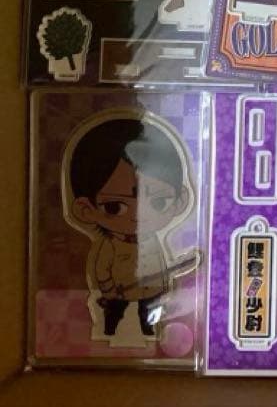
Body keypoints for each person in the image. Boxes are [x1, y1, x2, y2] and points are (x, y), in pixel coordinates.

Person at [65, 114, 195, 339]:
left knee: (148, 310)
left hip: (150, 289)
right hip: (119, 290)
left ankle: (149, 329)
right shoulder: (110, 245)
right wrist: (108, 289)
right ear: (86, 209)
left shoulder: (151, 240)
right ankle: (109, 329)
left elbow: (159, 262)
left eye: (158, 202)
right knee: (115, 311)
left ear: (180, 201)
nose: (138, 216)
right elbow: (102, 269)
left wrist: (163, 283)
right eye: (114, 207)